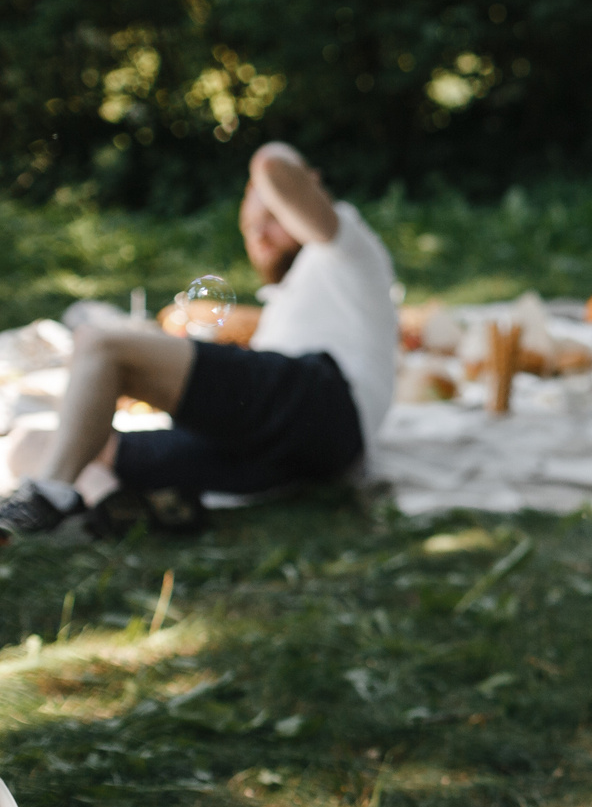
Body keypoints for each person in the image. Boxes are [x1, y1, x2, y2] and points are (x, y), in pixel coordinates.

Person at [0, 142, 397, 543]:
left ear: (311, 189)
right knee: (32, 443)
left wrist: (286, 181)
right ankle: (115, 506)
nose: (260, 234)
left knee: (100, 344)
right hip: (285, 458)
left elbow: (271, 163)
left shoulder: (345, 245)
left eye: (272, 217)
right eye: (251, 226)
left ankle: (49, 499)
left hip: (326, 405)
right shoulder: (288, 300)